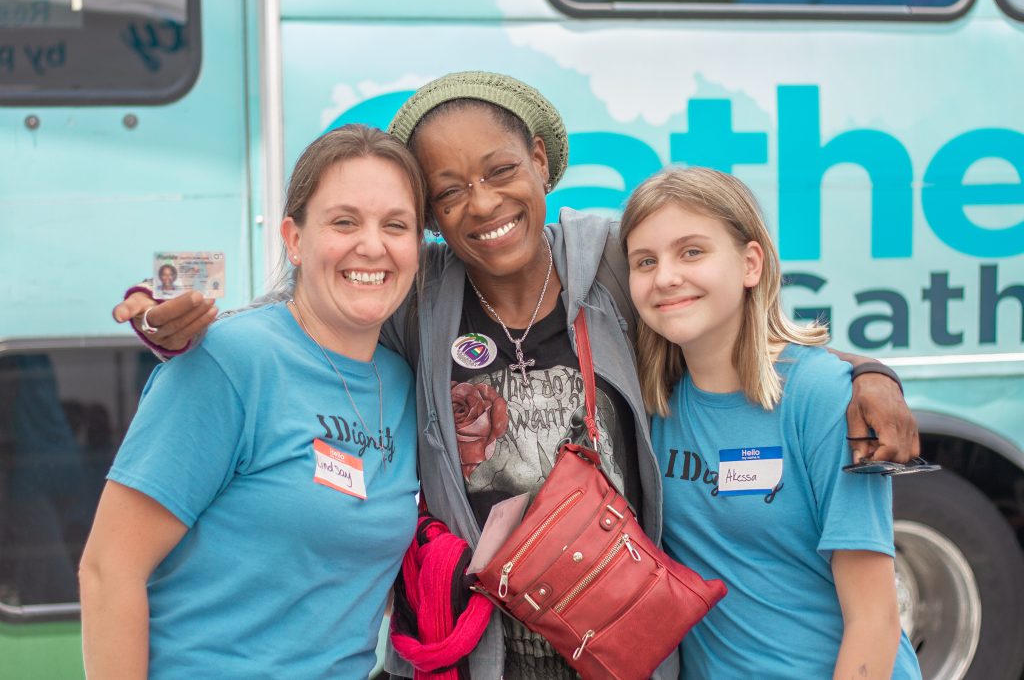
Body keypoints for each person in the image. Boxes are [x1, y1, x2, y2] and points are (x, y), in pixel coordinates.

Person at [112, 72, 918, 679]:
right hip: (481, 649)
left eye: (500, 170)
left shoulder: (608, 258)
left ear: (540, 162)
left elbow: (723, 306)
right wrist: (160, 318)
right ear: (429, 213)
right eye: (448, 190)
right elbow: (301, 314)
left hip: (621, 636)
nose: (481, 202)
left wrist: (868, 372)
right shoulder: (415, 294)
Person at [79, 125, 424, 680]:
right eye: (344, 221)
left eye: (396, 225)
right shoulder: (230, 362)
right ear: (293, 238)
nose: (372, 245)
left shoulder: (404, 383)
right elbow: (108, 569)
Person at [621, 167, 921, 679]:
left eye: (692, 251)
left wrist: (870, 374)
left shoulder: (822, 397)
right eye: (645, 261)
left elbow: (875, 617)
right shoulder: (652, 404)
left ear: (750, 263)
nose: (666, 276)